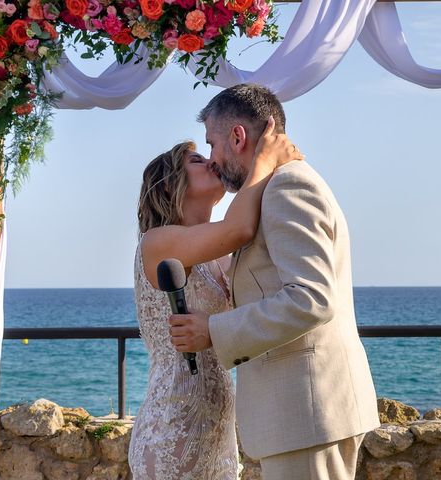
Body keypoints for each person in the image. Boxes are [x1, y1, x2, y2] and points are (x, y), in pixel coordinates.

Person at [168, 83, 380, 480]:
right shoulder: (274, 188)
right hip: (303, 414)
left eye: (212, 143)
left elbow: (311, 298)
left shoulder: (287, 187)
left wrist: (213, 330)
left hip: (307, 411)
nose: (212, 158)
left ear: (237, 136)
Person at [128, 123, 302, 479]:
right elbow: (238, 228)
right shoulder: (156, 242)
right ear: (170, 182)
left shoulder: (216, 259)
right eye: (196, 159)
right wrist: (264, 159)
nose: (211, 162)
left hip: (217, 428)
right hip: (173, 425)